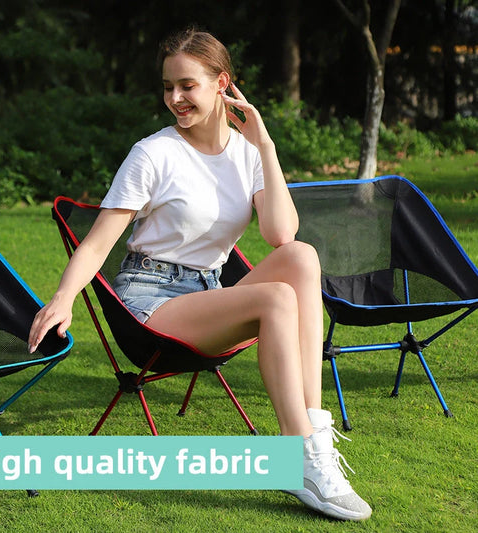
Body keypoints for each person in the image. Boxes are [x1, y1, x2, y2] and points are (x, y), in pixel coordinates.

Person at [28, 27, 372, 521]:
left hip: (209, 293)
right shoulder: (154, 153)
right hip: (150, 304)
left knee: (301, 257)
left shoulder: (247, 153)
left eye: (187, 85)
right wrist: (63, 297)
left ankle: (313, 435)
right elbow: (99, 241)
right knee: (277, 296)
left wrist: (266, 145)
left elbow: (281, 233)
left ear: (221, 83)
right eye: (168, 86)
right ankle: (299, 454)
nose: (175, 98)